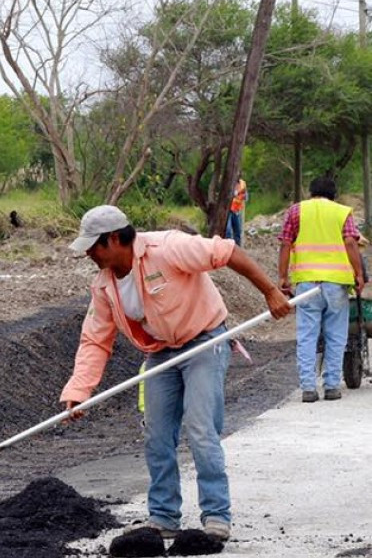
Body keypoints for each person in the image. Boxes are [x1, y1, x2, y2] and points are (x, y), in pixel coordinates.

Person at [61, 205, 290, 541]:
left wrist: (270, 291)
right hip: (160, 353)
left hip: (204, 341)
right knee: (157, 435)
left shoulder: (167, 247)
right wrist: (79, 390)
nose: (88, 255)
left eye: (92, 247)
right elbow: (95, 338)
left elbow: (227, 251)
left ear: (113, 239)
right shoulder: (104, 285)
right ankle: (164, 516)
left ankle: (216, 516)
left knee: (200, 428)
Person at [277, 176, 364, 403]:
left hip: (307, 283)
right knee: (336, 336)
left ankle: (308, 388)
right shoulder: (341, 212)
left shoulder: (296, 211)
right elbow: (351, 243)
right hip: (336, 283)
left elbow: (286, 243)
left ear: (311, 192)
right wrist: (359, 275)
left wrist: (283, 277)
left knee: (307, 336)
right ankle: (332, 386)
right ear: (333, 194)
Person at [224, 178, 248, 246]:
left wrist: (243, 195)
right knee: (228, 231)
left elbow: (246, 196)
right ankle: (228, 249)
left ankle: (238, 249)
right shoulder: (228, 182)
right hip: (227, 210)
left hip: (237, 210)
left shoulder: (242, 184)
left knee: (237, 232)